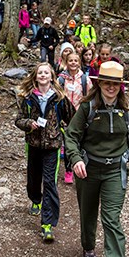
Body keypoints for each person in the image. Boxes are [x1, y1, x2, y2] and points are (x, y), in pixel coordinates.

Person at [65, 61, 129, 257]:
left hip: (115, 170)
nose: (111, 87)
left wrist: (125, 158)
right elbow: (72, 136)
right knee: (88, 211)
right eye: (107, 82)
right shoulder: (87, 108)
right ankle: (87, 245)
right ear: (99, 84)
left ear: (121, 86)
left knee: (112, 218)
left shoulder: (128, 109)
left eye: (115, 83)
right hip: (89, 169)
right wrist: (75, 159)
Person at [15, 62, 75, 242]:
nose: (42, 75)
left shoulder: (59, 98)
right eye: (40, 73)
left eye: (46, 73)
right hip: (33, 144)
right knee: (34, 179)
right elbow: (18, 120)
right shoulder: (26, 97)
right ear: (35, 76)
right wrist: (28, 124)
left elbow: (72, 117)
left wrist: (71, 135)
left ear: (51, 77)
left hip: (52, 146)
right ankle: (35, 199)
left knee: (50, 182)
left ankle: (47, 224)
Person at [58, 52, 92, 183]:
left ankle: (82, 165)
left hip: (80, 115)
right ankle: (68, 170)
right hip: (65, 116)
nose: (73, 63)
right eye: (70, 60)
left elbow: (90, 95)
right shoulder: (61, 79)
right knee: (68, 142)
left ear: (79, 63)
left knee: (81, 141)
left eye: (75, 61)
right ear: (66, 62)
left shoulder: (84, 79)